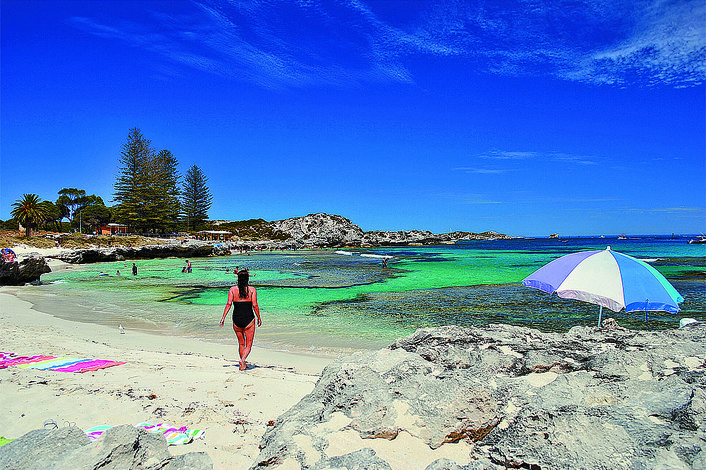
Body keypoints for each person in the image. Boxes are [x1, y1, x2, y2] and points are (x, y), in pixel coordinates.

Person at [220, 269, 262, 371]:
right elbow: (255, 305)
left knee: (241, 343)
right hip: (249, 318)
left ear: (238, 279)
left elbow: (228, 304)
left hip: (236, 318)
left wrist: (223, 318)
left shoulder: (232, 290)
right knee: (249, 344)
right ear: (247, 279)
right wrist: (259, 317)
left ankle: (242, 364)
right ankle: (242, 360)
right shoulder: (252, 290)